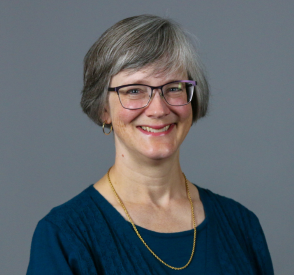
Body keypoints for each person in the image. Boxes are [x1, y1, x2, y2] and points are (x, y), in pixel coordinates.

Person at [27, 15, 274, 274]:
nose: (158, 109)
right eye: (134, 90)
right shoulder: (64, 235)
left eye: (174, 88)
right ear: (103, 109)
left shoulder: (242, 225)